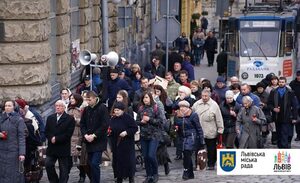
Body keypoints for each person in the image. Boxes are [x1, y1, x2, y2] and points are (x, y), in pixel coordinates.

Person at [80, 91, 109, 183]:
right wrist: (85, 134)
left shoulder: (102, 108)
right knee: (89, 163)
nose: (88, 102)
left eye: (89, 100)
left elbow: (104, 125)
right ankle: (93, 180)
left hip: (99, 140)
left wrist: (94, 135)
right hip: (88, 140)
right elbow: (82, 123)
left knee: (94, 163)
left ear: (95, 98)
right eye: (86, 100)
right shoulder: (86, 109)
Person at [192, 89, 224, 170]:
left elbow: (219, 118)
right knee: (198, 148)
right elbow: (191, 114)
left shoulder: (214, 105)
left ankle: (211, 164)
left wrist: (220, 129)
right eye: (203, 96)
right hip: (199, 130)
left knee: (211, 149)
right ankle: (198, 164)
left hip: (210, 130)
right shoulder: (197, 104)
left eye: (206, 96)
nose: (204, 97)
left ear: (209, 96)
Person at [136, 92, 164, 183]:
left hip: (154, 135)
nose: (145, 99)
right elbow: (137, 121)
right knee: (145, 157)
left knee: (151, 155)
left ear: (150, 98)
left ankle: (155, 173)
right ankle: (149, 175)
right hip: (144, 135)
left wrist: (150, 120)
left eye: (147, 97)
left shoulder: (156, 108)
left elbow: (160, 121)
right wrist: (141, 122)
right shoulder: (140, 109)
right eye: (144, 98)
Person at [45, 100, 75, 183]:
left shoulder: (70, 118)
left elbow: (68, 134)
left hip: (63, 147)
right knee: (48, 164)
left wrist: (57, 138)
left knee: (64, 169)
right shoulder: (50, 118)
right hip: (52, 147)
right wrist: (51, 137)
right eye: (56, 105)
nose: (58, 107)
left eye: (60, 106)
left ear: (64, 107)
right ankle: (54, 181)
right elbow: (46, 131)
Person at [175, 100, 205, 180]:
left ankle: (185, 171)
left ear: (188, 107)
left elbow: (198, 128)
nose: (182, 108)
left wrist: (201, 140)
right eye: (181, 106)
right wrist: (176, 129)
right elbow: (176, 125)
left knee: (187, 153)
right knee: (185, 154)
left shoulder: (193, 115)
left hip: (191, 136)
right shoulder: (177, 115)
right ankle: (191, 173)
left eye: (184, 107)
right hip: (182, 137)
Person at [109, 102, 138, 183]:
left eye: (118, 110)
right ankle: (119, 177)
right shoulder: (113, 119)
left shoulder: (128, 118)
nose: (116, 112)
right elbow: (110, 128)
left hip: (127, 144)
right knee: (118, 162)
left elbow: (134, 128)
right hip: (116, 144)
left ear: (122, 110)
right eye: (115, 110)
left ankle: (130, 177)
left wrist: (126, 132)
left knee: (128, 161)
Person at [267, 77, 298, 148]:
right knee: (278, 134)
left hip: (287, 116)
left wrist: (294, 117)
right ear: (278, 82)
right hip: (277, 116)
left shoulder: (290, 92)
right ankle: (280, 148)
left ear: (285, 83)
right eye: (280, 82)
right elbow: (269, 103)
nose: (281, 83)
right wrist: (273, 108)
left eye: (283, 82)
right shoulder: (273, 91)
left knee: (284, 133)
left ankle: (284, 149)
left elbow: (295, 105)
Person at [0, 100, 26, 183]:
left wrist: (22, 153)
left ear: (14, 107)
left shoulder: (19, 120)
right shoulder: (1, 118)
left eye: (9, 106)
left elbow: (21, 137)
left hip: (13, 151)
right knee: (3, 172)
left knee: (13, 174)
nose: (7, 107)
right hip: (2, 150)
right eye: (6, 106)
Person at [67, 93, 89, 182]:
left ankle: (82, 176)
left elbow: (84, 123)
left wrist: (76, 120)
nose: (71, 100)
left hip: (78, 136)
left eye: (73, 98)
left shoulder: (81, 109)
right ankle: (65, 175)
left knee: (81, 158)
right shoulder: (68, 109)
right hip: (69, 136)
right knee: (68, 158)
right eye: (70, 98)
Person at [289, 70, 300, 141]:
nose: (299, 77)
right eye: (298, 75)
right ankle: (298, 135)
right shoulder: (292, 83)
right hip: (296, 105)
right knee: (297, 121)